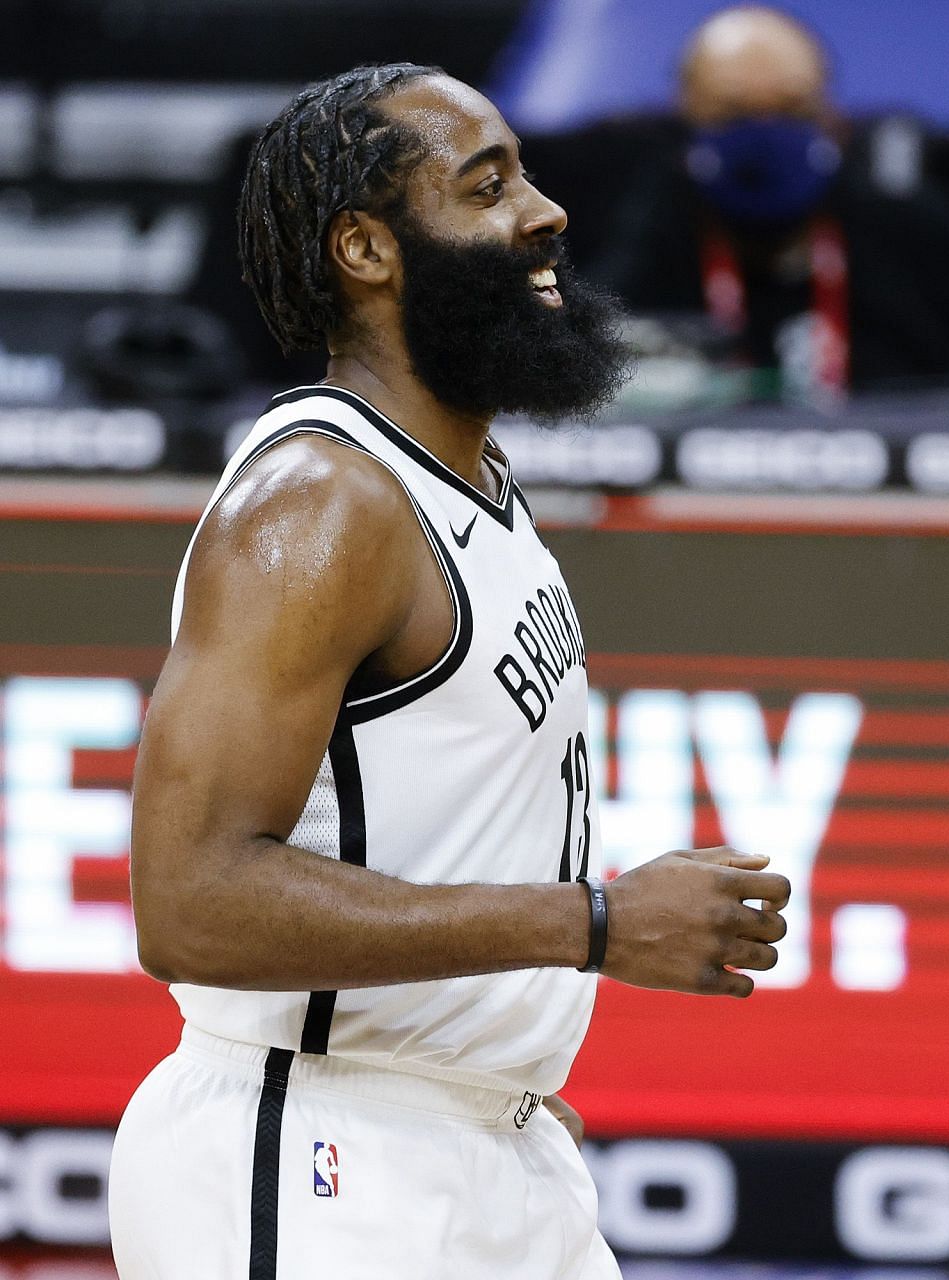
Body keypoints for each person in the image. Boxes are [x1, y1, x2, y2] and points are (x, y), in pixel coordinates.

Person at [110, 64, 791, 1279]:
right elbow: (189, 898)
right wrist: (595, 923)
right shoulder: (319, 504)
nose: (545, 212)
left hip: (476, 1142)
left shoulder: (463, 481)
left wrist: (497, 1069)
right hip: (324, 1151)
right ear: (367, 248)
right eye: (487, 187)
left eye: (523, 172)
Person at [595, 4, 949, 400]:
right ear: (686, 117)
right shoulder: (632, 249)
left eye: (793, 111)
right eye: (732, 114)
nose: (765, 136)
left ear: (831, 117)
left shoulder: (924, 238)